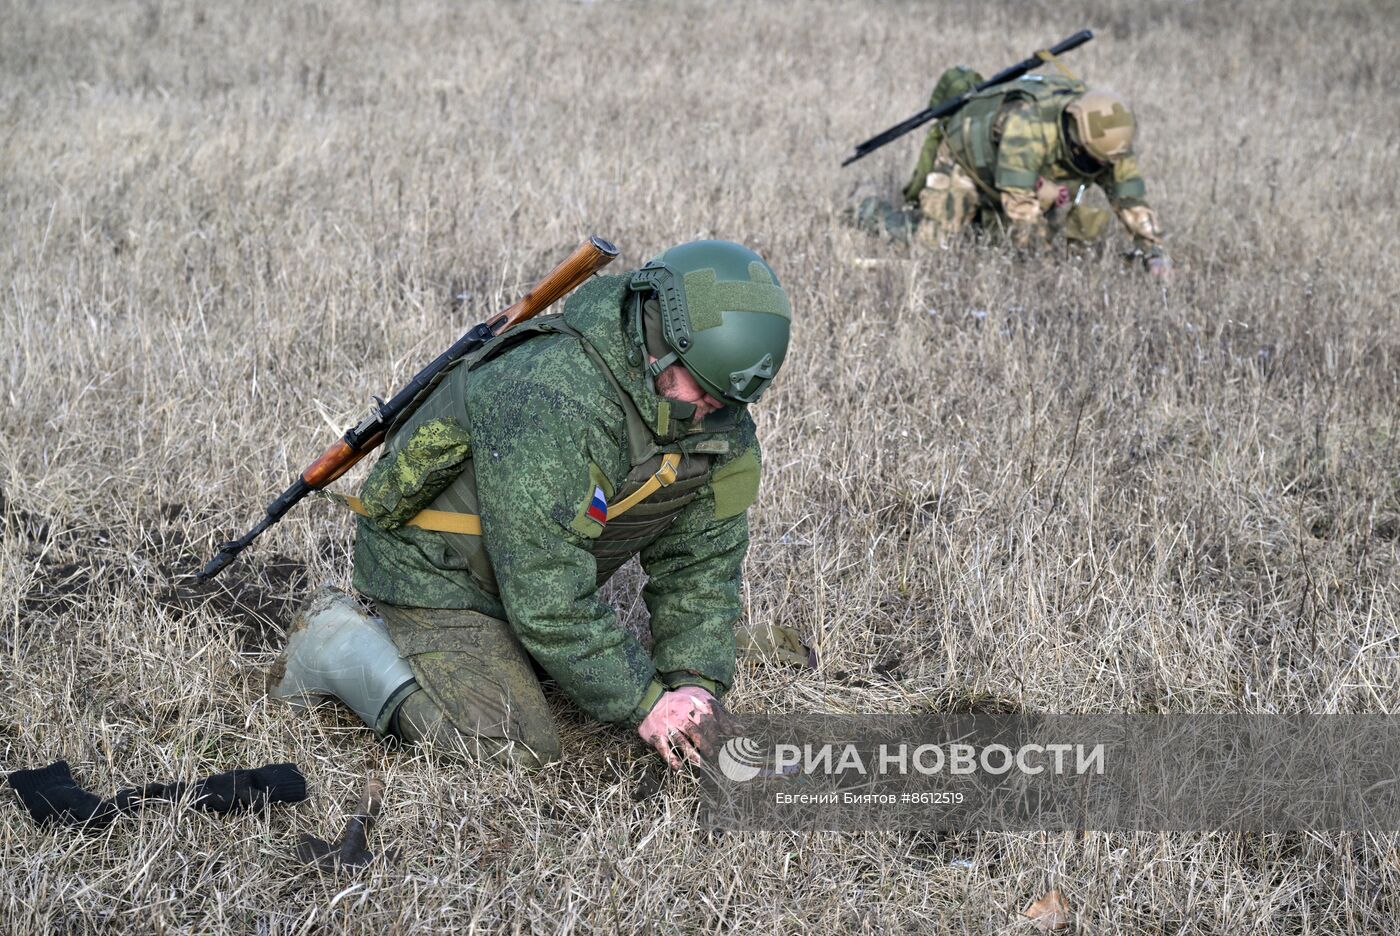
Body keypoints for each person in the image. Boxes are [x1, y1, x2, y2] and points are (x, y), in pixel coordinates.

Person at [267, 240, 792, 770]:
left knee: (568, 665)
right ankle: (339, 642)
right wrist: (646, 701)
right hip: (436, 569)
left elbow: (701, 564)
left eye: (723, 403)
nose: (709, 413)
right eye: (698, 392)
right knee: (514, 747)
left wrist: (694, 689)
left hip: (523, 571)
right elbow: (546, 593)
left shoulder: (720, 416)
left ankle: (511, 651)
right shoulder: (552, 395)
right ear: (655, 340)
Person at [907, 67, 1172, 278]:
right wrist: (1047, 270)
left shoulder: (1109, 140)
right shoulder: (1029, 126)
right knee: (933, 247)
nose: (1103, 169)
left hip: (1018, 174)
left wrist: (1153, 252)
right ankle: (873, 213)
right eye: (1097, 161)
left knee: (996, 241)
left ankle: (983, 222)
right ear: (1077, 139)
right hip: (964, 163)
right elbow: (1021, 208)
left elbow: (1131, 199)